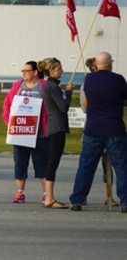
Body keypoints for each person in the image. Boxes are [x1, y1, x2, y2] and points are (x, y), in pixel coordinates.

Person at [70, 52, 127, 213]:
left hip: (93, 128)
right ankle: (125, 201)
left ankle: (77, 200)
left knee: (86, 165)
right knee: (122, 166)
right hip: (114, 128)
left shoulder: (89, 79)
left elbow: (86, 101)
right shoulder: (118, 79)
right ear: (110, 64)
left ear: (97, 64)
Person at [1, 61, 49, 203]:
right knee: (20, 163)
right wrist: (9, 122)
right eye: (22, 71)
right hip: (21, 133)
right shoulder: (18, 86)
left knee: (42, 164)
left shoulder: (44, 86)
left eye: (27, 71)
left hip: (40, 133)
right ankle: (20, 192)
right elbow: (7, 104)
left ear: (35, 72)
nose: (24, 73)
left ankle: (47, 193)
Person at [80, 57, 118, 207]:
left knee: (108, 164)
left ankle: (109, 196)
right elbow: (84, 107)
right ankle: (81, 196)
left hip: (107, 126)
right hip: (93, 126)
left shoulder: (112, 82)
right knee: (87, 164)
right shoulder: (86, 84)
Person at [37, 57, 73, 209]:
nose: (62, 71)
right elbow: (63, 108)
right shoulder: (52, 86)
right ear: (51, 71)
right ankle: (49, 198)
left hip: (53, 127)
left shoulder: (50, 86)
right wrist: (69, 93)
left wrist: (64, 91)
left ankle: (49, 196)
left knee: (52, 162)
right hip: (57, 127)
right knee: (53, 162)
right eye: (59, 69)